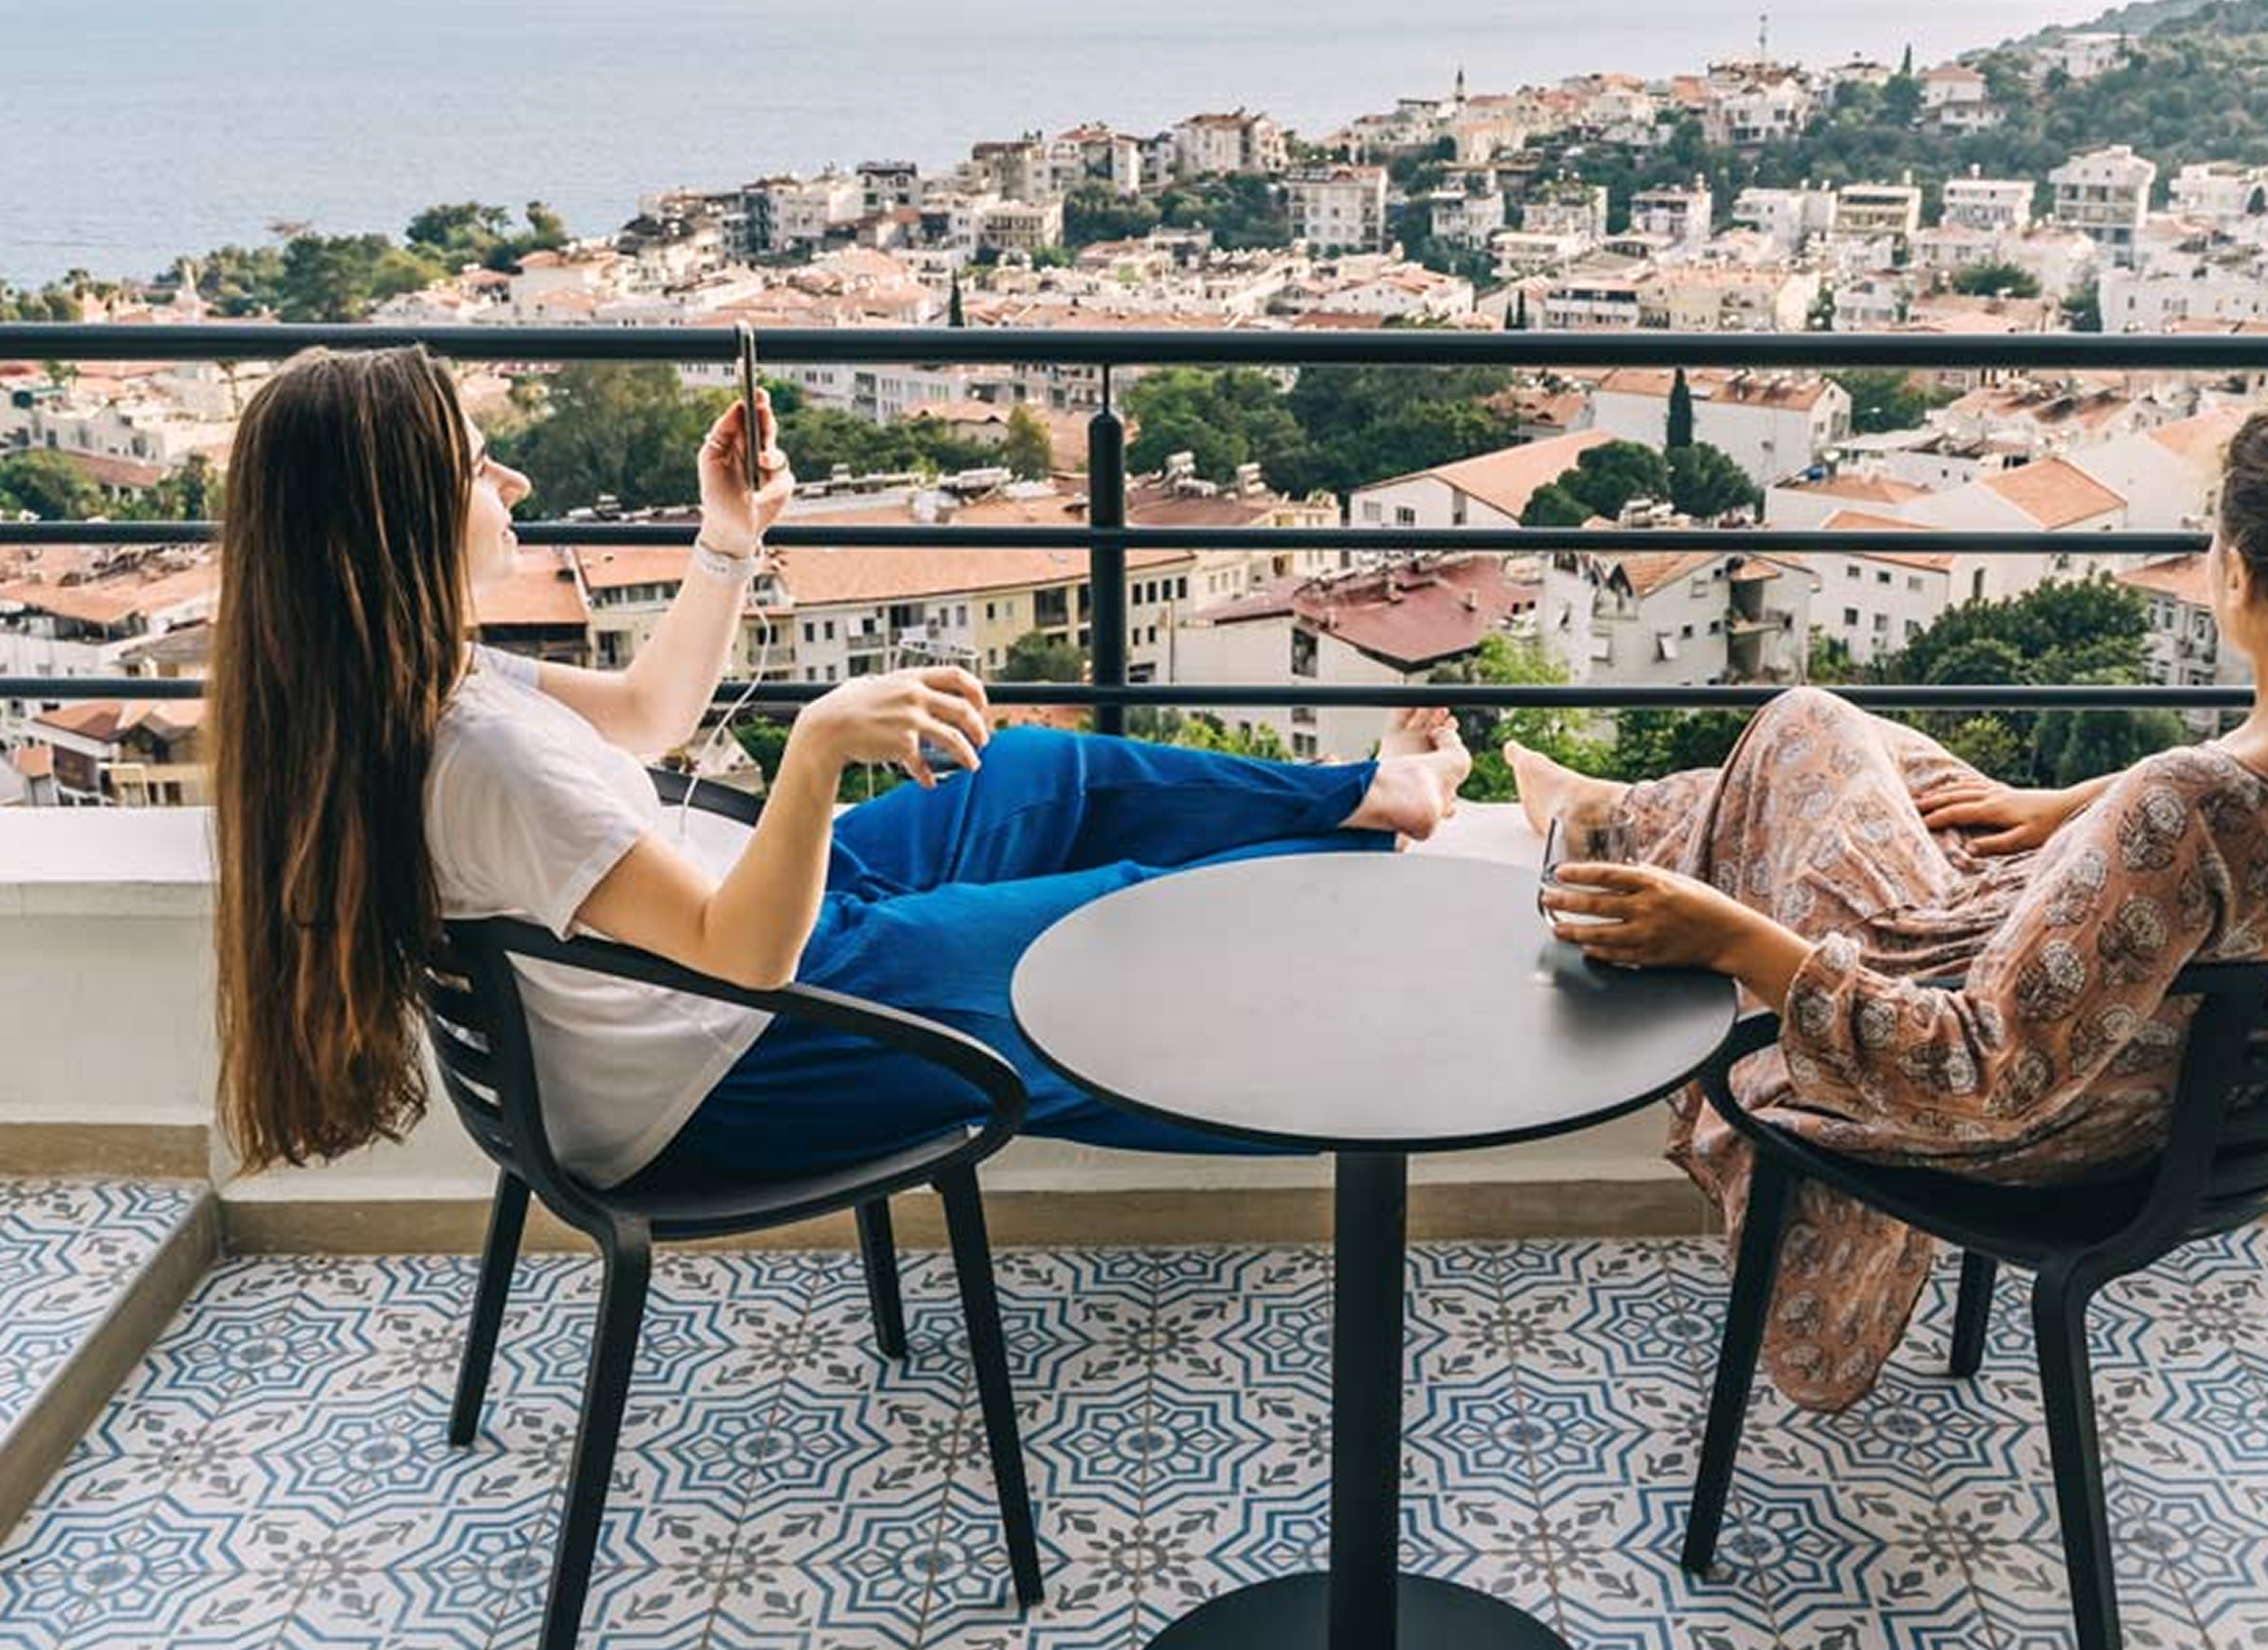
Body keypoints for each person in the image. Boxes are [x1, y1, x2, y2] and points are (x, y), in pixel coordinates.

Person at [207, 345, 1471, 1185]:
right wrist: (813, 751)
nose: (512, 477)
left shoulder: (421, 681)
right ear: (397, 513)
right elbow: (745, 955)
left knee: (1026, 778)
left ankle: (1367, 797)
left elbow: (647, 717)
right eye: (477, 463)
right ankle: (1378, 980)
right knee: (1110, 932)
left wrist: (724, 539)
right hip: (730, 1061)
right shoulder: (479, 751)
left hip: (710, 989)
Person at [1514, 391, 2268, 1411]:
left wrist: (1741, 943)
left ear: (2237, 573)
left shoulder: (2185, 810)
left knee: (1802, 723)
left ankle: (1599, 818)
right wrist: (2071, 808)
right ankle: (1608, 809)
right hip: (2221, 1125)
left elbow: (1978, 1072)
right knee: (1877, 772)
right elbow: (2236, 798)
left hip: (2044, 1131)